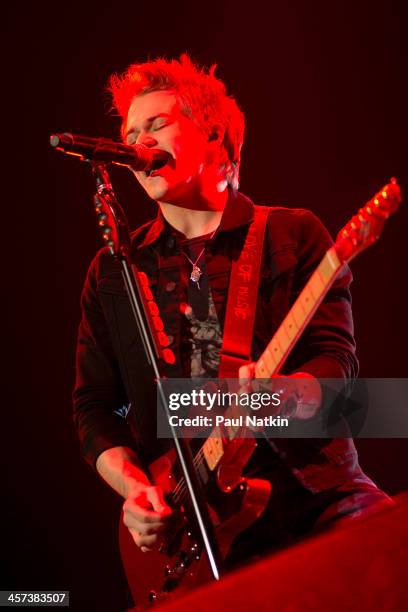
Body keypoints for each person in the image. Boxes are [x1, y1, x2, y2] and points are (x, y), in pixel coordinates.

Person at [72, 55, 391, 571]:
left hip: (315, 497)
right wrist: (136, 491)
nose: (139, 145)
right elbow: (95, 408)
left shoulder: (293, 234)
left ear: (213, 133)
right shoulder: (114, 272)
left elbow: (338, 369)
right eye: (131, 133)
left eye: (157, 126)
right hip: (199, 536)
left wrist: (279, 397)